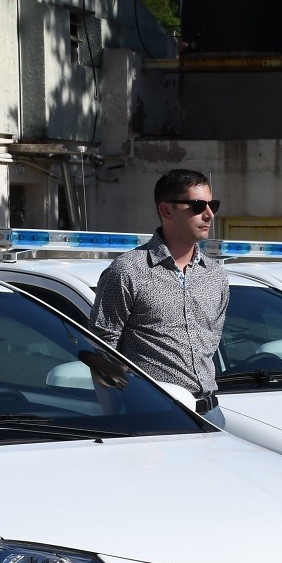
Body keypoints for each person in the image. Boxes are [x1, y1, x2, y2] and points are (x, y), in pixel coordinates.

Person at [88, 169, 228, 412]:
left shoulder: (215, 275)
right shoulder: (127, 271)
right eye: (197, 206)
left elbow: (210, 346)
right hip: (154, 416)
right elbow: (102, 350)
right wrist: (115, 417)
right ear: (166, 210)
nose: (209, 214)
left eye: (212, 205)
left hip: (211, 413)